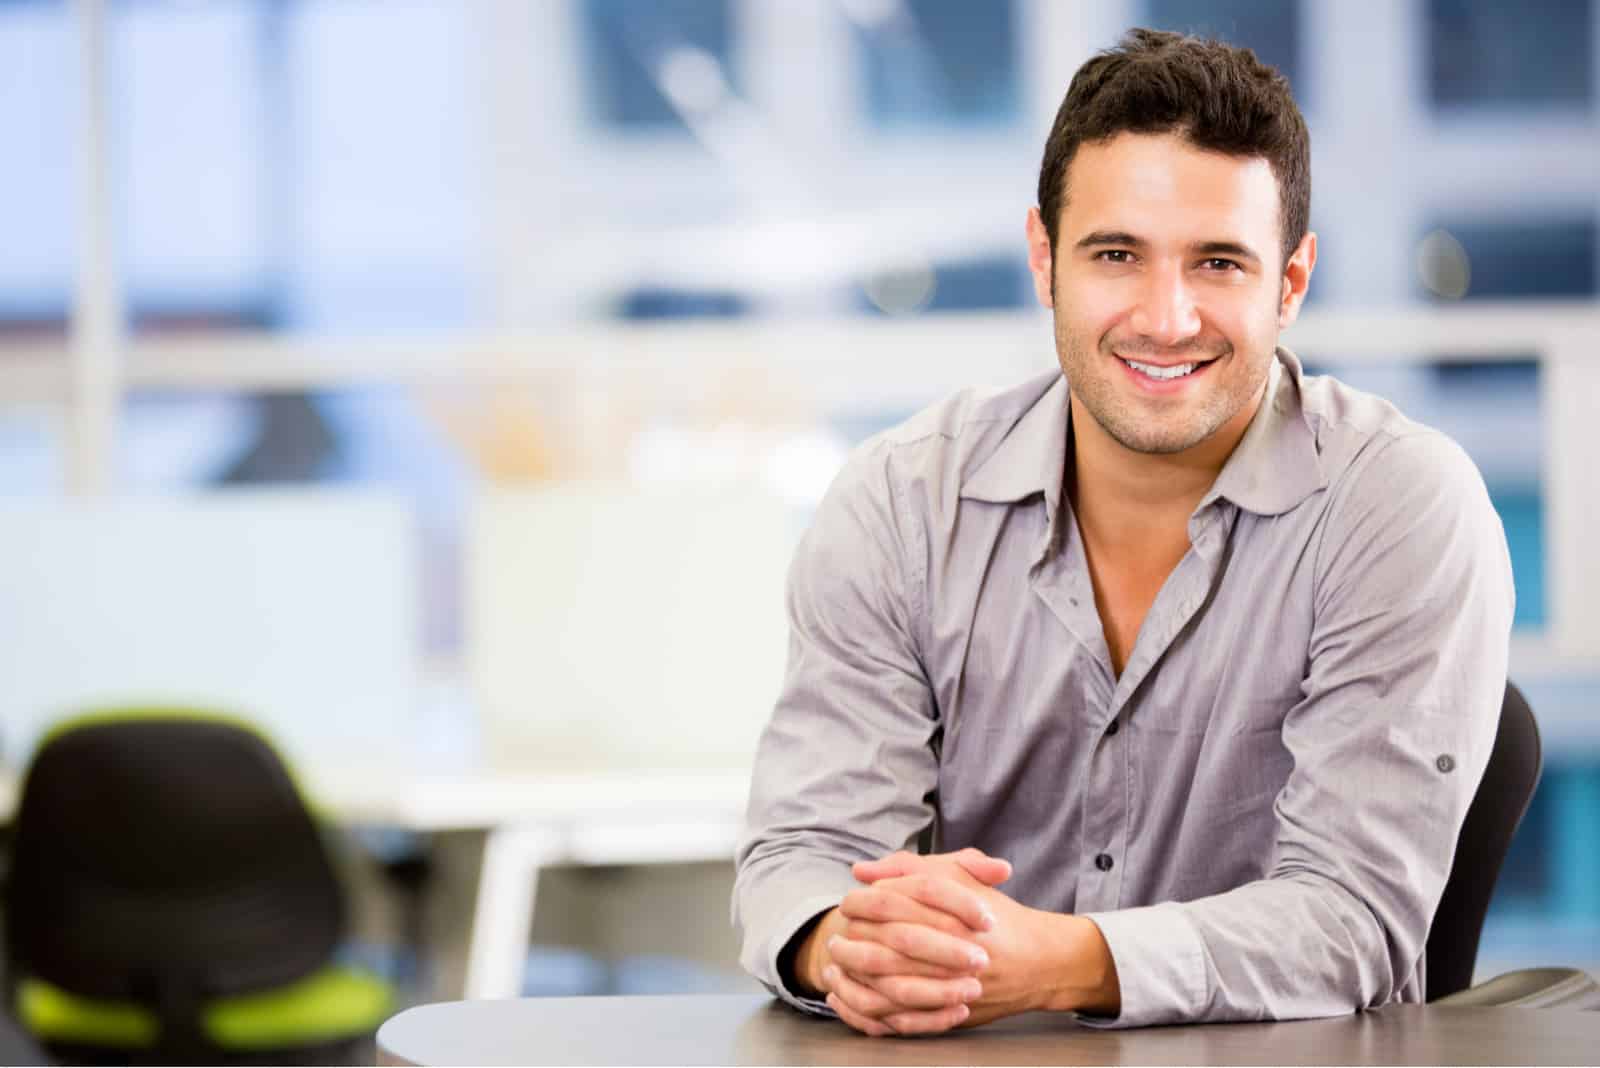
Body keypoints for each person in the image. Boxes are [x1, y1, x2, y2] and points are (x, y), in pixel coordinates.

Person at [732, 28, 1514, 1036]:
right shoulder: (899, 501)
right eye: (1115, 254)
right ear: (1041, 257)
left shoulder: (1397, 505)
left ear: (1290, 282)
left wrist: (1052, 961)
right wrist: (848, 940)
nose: (1165, 316)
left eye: (1219, 263)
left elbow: (1351, 916)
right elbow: (802, 851)